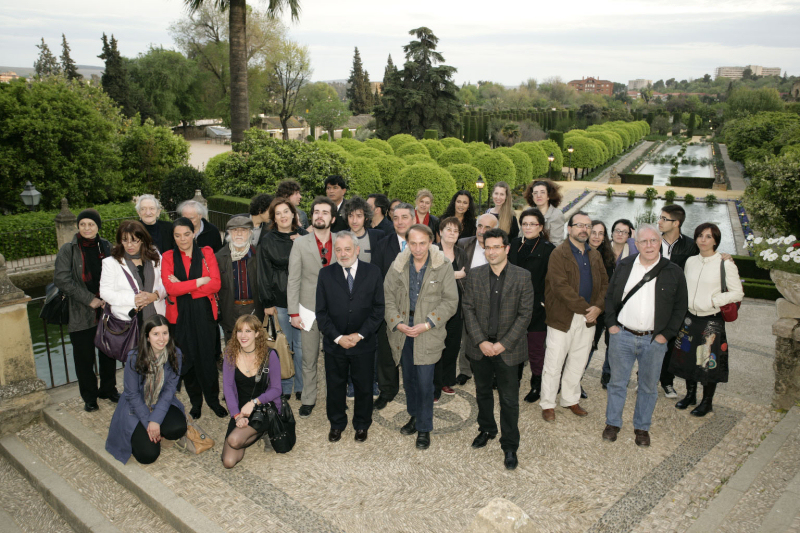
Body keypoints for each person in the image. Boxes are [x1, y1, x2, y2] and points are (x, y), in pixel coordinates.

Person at [602, 224, 688, 447]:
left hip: (654, 340)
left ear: (659, 242)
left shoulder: (674, 272)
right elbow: (610, 296)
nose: (649, 245)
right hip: (622, 335)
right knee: (617, 383)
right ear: (636, 244)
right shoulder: (625, 265)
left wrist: (665, 336)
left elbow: (680, 307)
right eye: (644, 241)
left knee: (649, 387)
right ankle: (613, 423)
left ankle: (642, 427)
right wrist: (611, 325)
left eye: (654, 241)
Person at [463, 228, 533, 470]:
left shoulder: (522, 276)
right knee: (482, 392)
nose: (491, 251)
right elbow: (468, 308)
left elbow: (525, 315)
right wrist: (481, 341)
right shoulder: (475, 275)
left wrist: (502, 344)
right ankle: (487, 429)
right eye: (487, 247)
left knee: (509, 400)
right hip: (479, 347)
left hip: (508, 349)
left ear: (506, 248)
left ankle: (510, 444)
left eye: (496, 247)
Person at [384, 224, 458, 450]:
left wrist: (427, 324)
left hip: (428, 331)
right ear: (407, 243)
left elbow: (450, 301)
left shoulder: (442, 265)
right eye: (412, 243)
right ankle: (414, 416)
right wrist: (398, 323)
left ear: (430, 241)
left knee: (426, 383)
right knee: (410, 380)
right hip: (404, 331)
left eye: (422, 243)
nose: (417, 248)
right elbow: (387, 297)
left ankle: (424, 428)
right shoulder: (398, 265)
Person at [316, 231, 385, 443]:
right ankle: (337, 424)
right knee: (335, 386)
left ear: (357, 249)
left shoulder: (373, 272)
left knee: (364, 386)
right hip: (335, 345)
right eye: (338, 250)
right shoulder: (325, 274)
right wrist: (338, 338)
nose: (343, 254)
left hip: (363, 344)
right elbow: (321, 312)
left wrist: (360, 335)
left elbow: (378, 309)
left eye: (347, 249)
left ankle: (362, 424)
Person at [539, 212, 608, 422]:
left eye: (588, 226)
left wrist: (598, 307)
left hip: (588, 318)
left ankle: (570, 399)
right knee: (554, 363)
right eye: (579, 225)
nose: (584, 229)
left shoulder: (594, 254)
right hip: (563, 317)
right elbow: (561, 287)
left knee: (578, 361)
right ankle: (548, 403)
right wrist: (588, 309)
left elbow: (605, 284)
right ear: (569, 229)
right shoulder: (559, 254)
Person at [669, 223, 743, 417]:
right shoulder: (691, 261)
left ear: (715, 240)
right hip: (689, 318)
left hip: (711, 319)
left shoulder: (724, 263)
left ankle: (707, 402)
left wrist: (715, 300)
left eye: (708, 236)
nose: (703, 239)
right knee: (687, 358)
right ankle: (691, 395)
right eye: (700, 235)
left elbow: (737, 292)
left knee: (708, 361)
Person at [53, 209, 118, 412]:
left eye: (91, 224)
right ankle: (90, 397)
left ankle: (108, 388)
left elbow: (117, 274)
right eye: (83, 224)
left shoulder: (107, 246)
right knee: (84, 358)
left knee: (108, 354)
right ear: (78, 226)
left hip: (106, 310)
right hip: (80, 311)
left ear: (98, 226)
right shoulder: (68, 249)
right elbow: (62, 279)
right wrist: (89, 299)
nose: (87, 228)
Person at [162, 217, 226, 420]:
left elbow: (215, 284)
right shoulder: (168, 257)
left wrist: (185, 287)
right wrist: (198, 282)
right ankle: (196, 402)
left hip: (205, 313)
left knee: (207, 358)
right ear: (173, 237)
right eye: (177, 235)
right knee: (187, 360)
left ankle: (213, 401)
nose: (183, 239)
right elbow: (170, 288)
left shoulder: (206, 253)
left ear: (193, 234)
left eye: (187, 234)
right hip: (179, 317)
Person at [105, 315, 187, 464]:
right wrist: (149, 422)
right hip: (135, 406)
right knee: (148, 456)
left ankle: (158, 431)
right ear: (147, 337)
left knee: (178, 428)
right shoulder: (134, 357)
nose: (162, 339)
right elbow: (132, 394)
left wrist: (155, 419)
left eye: (165, 333)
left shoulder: (175, 354)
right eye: (156, 334)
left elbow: (169, 391)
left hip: (159, 400)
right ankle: (146, 434)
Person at [287, 197, 338, 418]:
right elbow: (293, 279)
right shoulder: (300, 243)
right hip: (307, 310)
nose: (319, 215)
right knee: (308, 357)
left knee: (336, 358)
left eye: (325, 212)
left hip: (336, 311)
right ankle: (308, 398)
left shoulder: (343, 241)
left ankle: (336, 399)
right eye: (316, 211)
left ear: (333, 218)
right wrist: (293, 312)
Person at [259, 198, 308, 401]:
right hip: (280, 300)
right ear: (274, 218)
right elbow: (263, 273)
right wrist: (267, 303)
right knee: (283, 345)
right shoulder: (268, 240)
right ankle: (285, 385)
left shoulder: (305, 237)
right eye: (278, 213)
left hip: (304, 300)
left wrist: (303, 246)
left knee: (302, 346)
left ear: (293, 214)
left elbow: (318, 265)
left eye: (286, 211)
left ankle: (302, 385)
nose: (283, 216)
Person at [221, 314, 282, 468]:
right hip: (240, 409)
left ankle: (263, 430)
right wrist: (236, 416)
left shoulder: (270, 355)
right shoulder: (230, 354)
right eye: (239, 331)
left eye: (248, 331)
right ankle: (254, 433)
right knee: (228, 462)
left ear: (256, 334)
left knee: (234, 440)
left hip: (264, 406)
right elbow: (227, 388)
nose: (243, 335)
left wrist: (254, 402)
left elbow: (276, 389)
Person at [508, 208, 555, 403]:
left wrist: (545, 302)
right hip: (513, 305)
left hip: (537, 307)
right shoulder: (514, 244)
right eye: (524, 224)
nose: (528, 227)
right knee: (513, 344)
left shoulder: (548, 249)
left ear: (540, 227)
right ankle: (513, 380)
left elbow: (551, 280)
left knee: (536, 348)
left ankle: (536, 384)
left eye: (532, 224)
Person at [372, 203, 415, 410]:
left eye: (404, 217)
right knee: (386, 352)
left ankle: (414, 389)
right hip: (389, 308)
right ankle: (387, 389)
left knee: (413, 351)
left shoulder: (422, 243)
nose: (400, 222)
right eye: (396, 218)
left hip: (417, 309)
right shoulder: (382, 244)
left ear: (413, 219)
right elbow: (377, 278)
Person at [657, 204, 699, 399]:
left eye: (664, 219)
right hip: (652, 300)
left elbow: (706, 261)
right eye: (660, 218)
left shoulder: (690, 246)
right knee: (648, 340)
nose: (660, 222)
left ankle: (667, 382)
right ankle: (644, 378)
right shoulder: (653, 241)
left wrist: (725, 258)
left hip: (676, 303)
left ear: (677, 223)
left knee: (671, 344)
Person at [454, 213, 499, 385]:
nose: (482, 230)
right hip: (468, 298)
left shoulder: (500, 246)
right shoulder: (464, 244)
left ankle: (493, 371)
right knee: (467, 336)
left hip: (493, 298)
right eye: (480, 226)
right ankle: (465, 370)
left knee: (492, 337)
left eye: (487, 227)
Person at [99, 220, 165, 335]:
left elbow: (167, 283)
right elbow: (105, 293)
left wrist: (155, 295)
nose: (129, 245)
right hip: (127, 322)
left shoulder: (155, 255)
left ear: (143, 240)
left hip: (157, 319)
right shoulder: (110, 262)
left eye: (134, 241)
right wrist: (134, 299)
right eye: (125, 240)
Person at [215, 216, 264, 343]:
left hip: (254, 308)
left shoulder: (259, 255)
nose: (239, 234)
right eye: (235, 230)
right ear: (229, 233)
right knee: (232, 349)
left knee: (257, 347)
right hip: (230, 310)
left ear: (250, 233)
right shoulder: (219, 257)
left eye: (243, 230)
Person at [434, 217, 468, 401]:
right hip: (436, 306)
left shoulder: (461, 253)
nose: (452, 233)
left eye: (456, 231)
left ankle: (446, 380)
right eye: (448, 229)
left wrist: (458, 276)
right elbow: (429, 275)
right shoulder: (432, 251)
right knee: (436, 344)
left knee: (452, 344)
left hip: (457, 306)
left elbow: (466, 276)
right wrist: (454, 274)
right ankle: (433, 383)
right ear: (440, 232)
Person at [585, 220, 616, 396]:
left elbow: (608, 288)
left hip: (599, 311)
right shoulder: (578, 253)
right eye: (593, 232)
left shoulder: (608, 259)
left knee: (590, 345)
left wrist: (598, 308)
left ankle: (577, 379)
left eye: (601, 233)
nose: (596, 236)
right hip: (578, 308)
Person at [524, 179, 565, 246]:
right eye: (535, 193)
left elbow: (556, 243)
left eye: (542, 192)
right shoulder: (528, 212)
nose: (538, 195)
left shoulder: (556, 215)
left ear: (548, 196)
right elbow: (521, 237)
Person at [345, 196, 385, 264]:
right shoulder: (340, 237)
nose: (354, 221)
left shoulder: (378, 236)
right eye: (351, 216)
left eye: (359, 216)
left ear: (366, 218)